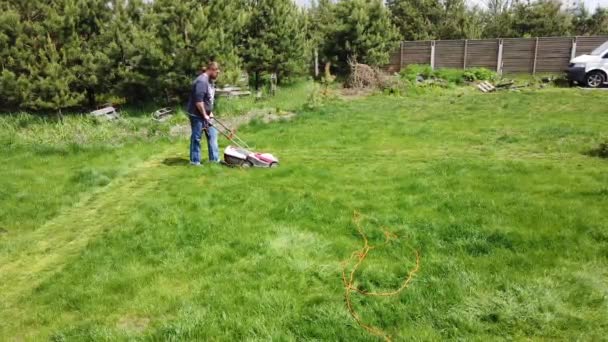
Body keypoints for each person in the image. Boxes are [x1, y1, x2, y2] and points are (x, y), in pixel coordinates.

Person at [186, 62, 221, 165]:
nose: (217, 75)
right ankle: (195, 161)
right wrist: (205, 115)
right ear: (212, 70)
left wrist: (210, 113)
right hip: (197, 114)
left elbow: (207, 100)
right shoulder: (201, 81)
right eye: (217, 72)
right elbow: (199, 102)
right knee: (196, 137)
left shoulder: (209, 81)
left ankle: (214, 160)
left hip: (206, 114)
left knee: (213, 134)